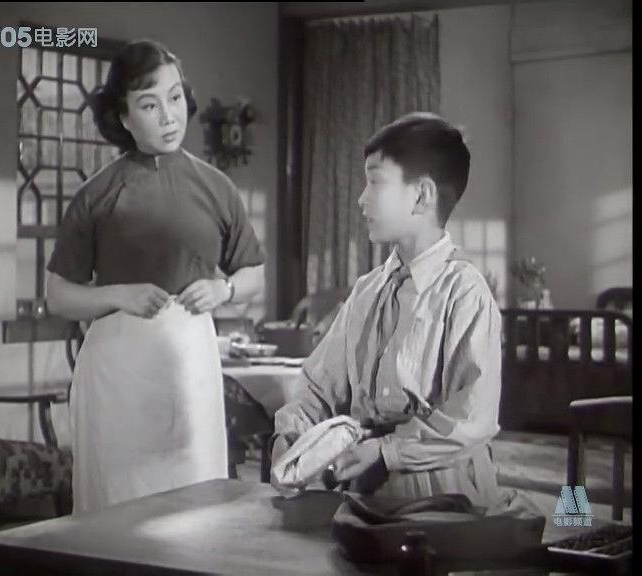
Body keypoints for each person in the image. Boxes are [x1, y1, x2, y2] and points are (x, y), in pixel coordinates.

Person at [46, 39, 265, 515]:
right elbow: (58, 295)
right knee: (117, 508)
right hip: (118, 373)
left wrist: (225, 288)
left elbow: (254, 274)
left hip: (190, 366)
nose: (169, 116)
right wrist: (118, 295)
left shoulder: (217, 187)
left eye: (174, 97)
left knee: (194, 504)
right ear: (123, 117)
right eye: (149, 105)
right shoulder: (97, 195)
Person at [271, 112, 503, 507]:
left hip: (443, 498)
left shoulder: (465, 293)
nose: (361, 199)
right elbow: (319, 386)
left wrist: (387, 451)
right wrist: (292, 433)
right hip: (365, 496)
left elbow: (471, 418)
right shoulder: (367, 290)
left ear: (422, 195)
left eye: (375, 181)